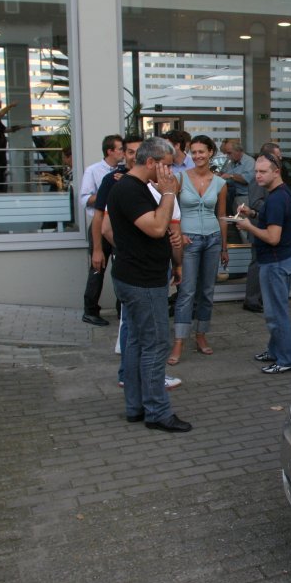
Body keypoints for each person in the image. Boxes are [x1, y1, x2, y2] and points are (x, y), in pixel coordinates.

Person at [106, 137, 191, 432]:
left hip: (136, 276)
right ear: (152, 162)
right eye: (167, 165)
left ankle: (136, 407)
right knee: (154, 345)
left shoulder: (135, 188)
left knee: (135, 343)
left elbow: (154, 229)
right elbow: (156, 228)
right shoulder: (130, 189)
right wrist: (169, 193)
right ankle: (157, 412)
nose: (170, 172)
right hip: (142, 281)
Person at [236, 150, 291, 374]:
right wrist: (252, 213)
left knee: (276, 314)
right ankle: (275, 350)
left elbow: (273, 237)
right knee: (275, 311)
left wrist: (248, 226)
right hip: (280, 260)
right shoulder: (279, 194)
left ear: (276, 172)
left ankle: (286, 359)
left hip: (275, 263)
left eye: (263, 172)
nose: (258, 176)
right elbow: (273, 221)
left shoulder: (276, 199)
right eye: (256, 171)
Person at [169, 134, 228, 365]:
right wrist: (178, 234)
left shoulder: (221, 183)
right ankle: (179, 340)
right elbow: (171, 211)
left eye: (201, 152)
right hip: (189, 241)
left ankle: (201, 335)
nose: (197, 156)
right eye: (193, 152)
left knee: (207, 292)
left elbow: (221, 216)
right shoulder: (179, 178)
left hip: (213, 238)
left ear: (210, 152)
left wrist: (224, 246)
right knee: (187, 292)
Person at [80, 135, 125, 326]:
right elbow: (84, 198)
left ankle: (121, 309)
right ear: (110, 151)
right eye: (121, 149)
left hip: (118, 225)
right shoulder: (93, 170)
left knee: (121, 267)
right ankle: (90, 311)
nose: (123, 153)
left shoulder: (125, 171)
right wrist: (107, 188)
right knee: (97, 267)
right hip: (100, 224)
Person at [241, 142, 282, 313]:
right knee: (257, 263)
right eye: (278, 155)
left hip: (267, 227)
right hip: (259, 226)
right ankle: (251, 299)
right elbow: (256, 202)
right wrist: (273, 205)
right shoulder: (258, 179)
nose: (281, 158)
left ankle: (260, 298)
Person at [220, 140, 254, 219]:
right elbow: (223, 173)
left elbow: (247, 179)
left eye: (229, 153)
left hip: (244, 198)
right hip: (233, 197)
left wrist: (231, 176)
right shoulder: (231, 161)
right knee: (237, 224)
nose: (228, 156)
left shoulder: (249, 162)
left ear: (238, 151)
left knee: (243, 225)